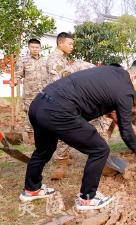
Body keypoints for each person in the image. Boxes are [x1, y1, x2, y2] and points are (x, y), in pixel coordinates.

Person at [19, 64, 136, 210]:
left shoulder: (113, 71)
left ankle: (31, 189)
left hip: (39, 104)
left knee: (44, 149)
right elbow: (126, 132)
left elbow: (99, 96)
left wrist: (114, 115)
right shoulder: (127, 91)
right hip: (60, 110)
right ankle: (87, 199)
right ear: (135, 77)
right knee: (100, 149)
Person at [46, 32, 95, 180]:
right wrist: (82, 67)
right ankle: (60, 163)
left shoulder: (63, 58)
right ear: (60, 43)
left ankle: (64, 157)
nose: (72, 47)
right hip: (59, 100)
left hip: (66, 99)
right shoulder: (54, 59)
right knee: (63, 130)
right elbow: (64, 76)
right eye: (70, 44)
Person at [13, 39, 48, 144]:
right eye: (32, 47)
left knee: (44, 114)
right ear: (29, 47)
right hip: (30, 95)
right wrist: (14, 82)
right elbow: (17, 75)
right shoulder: (23, 60)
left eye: (37, 47)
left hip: (44, 93)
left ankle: (44, 136)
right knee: (31, 115)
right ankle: (31, 139)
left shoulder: (45, 60)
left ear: (40, 48)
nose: (35, 49)